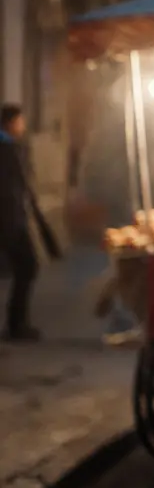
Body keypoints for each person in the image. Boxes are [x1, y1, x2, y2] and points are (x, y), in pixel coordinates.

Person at [0, 105, 46, 341]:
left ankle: (17, 323)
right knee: (27, 266)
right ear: (10, 122)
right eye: (20, 121)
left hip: (12, 218)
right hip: (9, 221)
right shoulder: (6, 149)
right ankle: (17, 325)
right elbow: (9, 190)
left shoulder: (12, 148)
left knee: (26, 267)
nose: (23, 126)